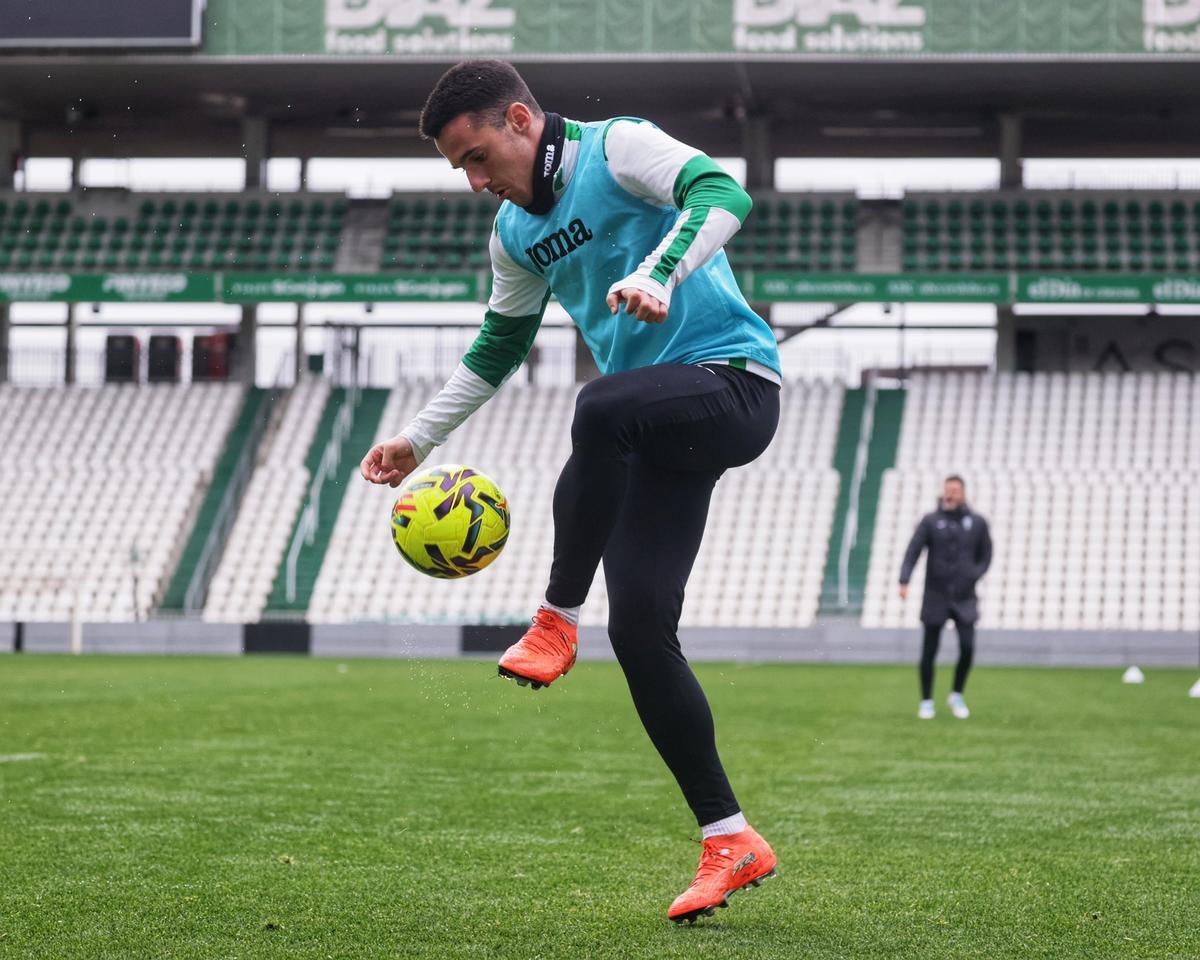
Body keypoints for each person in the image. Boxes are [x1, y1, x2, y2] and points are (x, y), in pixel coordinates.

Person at [359, 60, 780, 923]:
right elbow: (496, 348)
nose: (478, 183)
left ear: (520, 119)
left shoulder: (617, 148)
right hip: (656, 429)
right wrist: (417, 438)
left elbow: (723, 193)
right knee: (642, 632)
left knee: (599, 408)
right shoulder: (513, 234)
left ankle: (555, 617)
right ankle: (729, 836)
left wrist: (661, 272)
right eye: (461, 172)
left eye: (478, 157)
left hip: (733, 387)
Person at [898, 475, 992, 720]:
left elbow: (986, 554)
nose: (950, 494)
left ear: (963, 493)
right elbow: (913, 550)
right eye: (947, 489)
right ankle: (926, 700)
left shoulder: (978, 522)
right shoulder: (931, 521)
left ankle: (957, 694)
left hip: (965, 596)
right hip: (935, 596)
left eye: (955, 490)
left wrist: (974, 574)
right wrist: (904, 579)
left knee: (967, 647)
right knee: (929, 650)